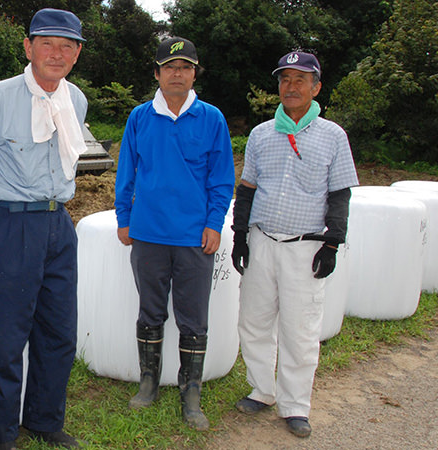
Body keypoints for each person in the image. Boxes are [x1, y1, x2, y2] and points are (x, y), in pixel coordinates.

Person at [0, 8, 87, 450]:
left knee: (59, 331)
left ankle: (45, 420)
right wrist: (2, 211)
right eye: (47, 43)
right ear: (28, 47)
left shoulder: (77, 99)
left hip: (58, 223)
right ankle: (0, 431)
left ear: (77, 54)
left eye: (67, 45)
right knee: (9, 336)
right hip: (9, 224)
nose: (57, 53)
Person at [230, 51, 358, 438]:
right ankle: (262, 390)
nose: (291, 86)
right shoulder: (261, 134)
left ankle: (295, 405)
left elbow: (339, 194)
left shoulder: (333, 136)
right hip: (263, 239)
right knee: (253, 322)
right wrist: (240, 235)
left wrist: (333, 243)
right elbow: (248, 187)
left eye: (301, 79)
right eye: (285, 79)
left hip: (306, 246)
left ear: (316, 87)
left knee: (300, 330)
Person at [114, 37, 235, 431]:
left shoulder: (212, 118)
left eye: (184, 67)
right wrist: (124, 217)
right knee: (150, 311)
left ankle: (190, 388)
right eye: (169, 67)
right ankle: (149, 381)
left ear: (194, 73)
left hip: (194, 238)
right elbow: (126, 171)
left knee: (193, 316)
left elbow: (221, 179)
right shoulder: (140, 117)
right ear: (157, 73)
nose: (177, 74)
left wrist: (214, 223)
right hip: (148, 233)